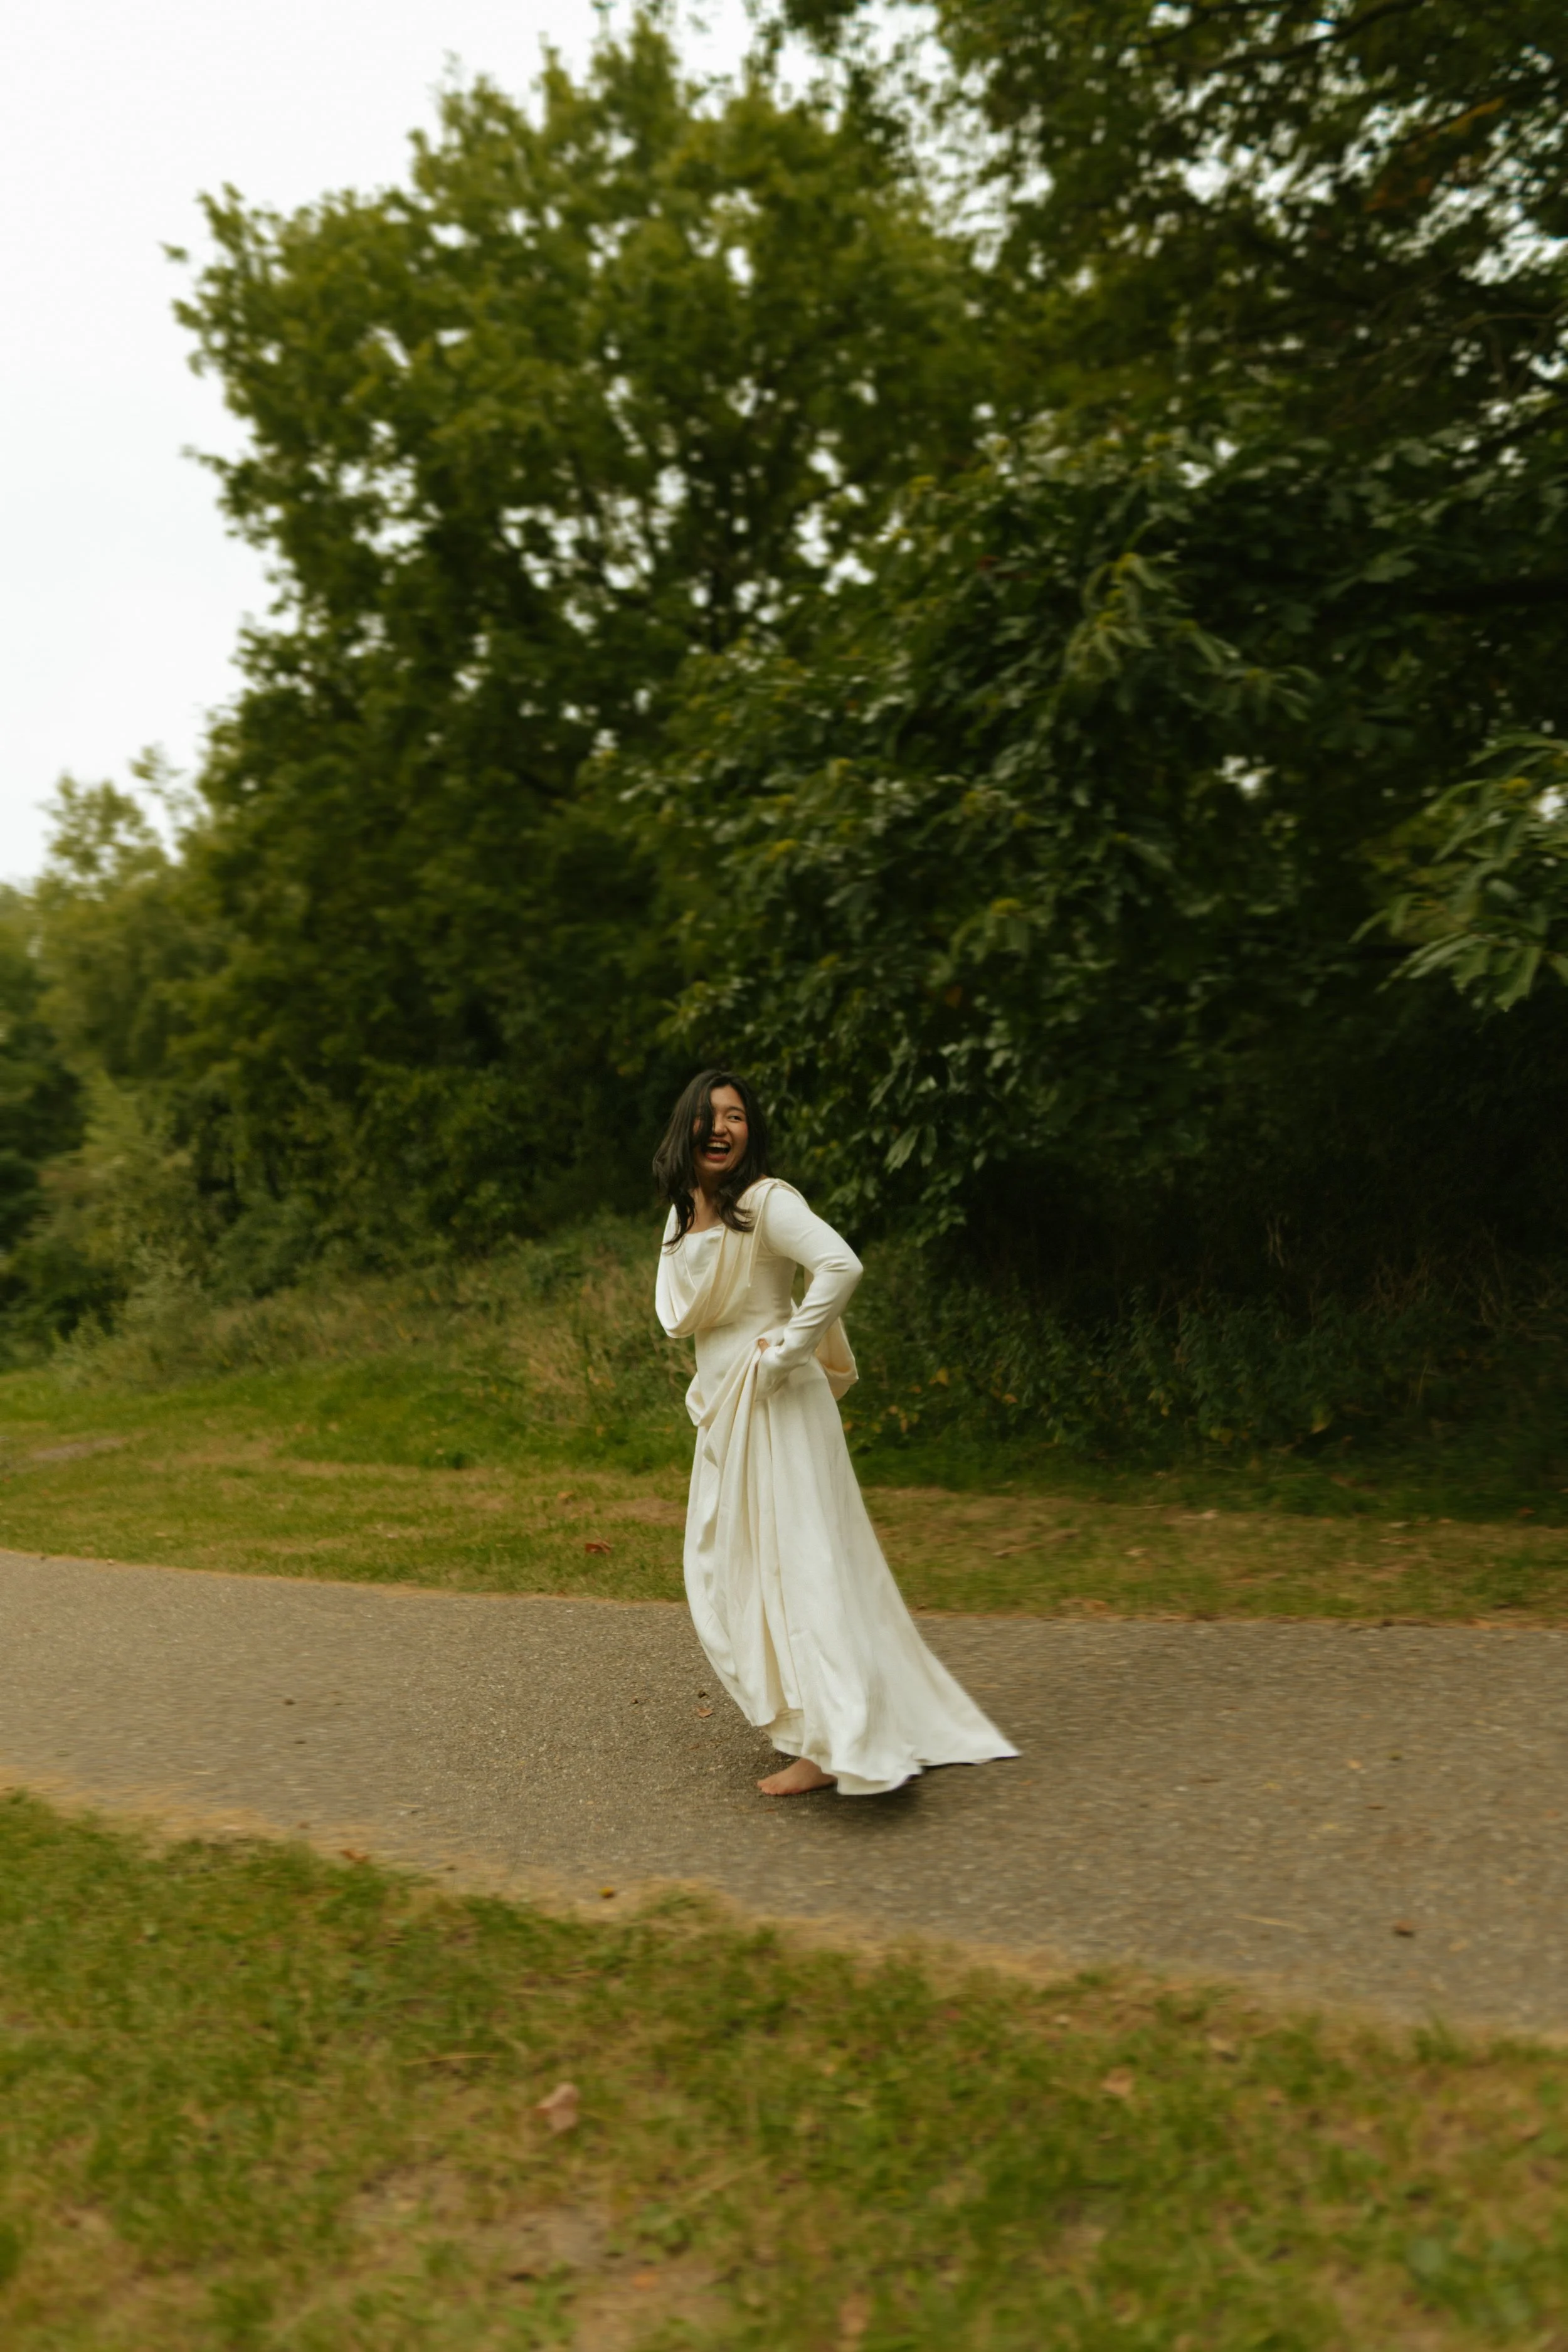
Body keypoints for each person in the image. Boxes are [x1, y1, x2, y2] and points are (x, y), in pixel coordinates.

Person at [652, 1068, 1019, 1798]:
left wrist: (785, 1354)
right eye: (709, 1115)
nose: (722, 1128)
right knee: (729, 1569)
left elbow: (840, 1265)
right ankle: (824, 1720)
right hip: (726, 1410)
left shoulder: (765, 1204)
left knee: (801, 1567)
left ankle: (831, 1744)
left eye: (737, 1117)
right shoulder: (680, 1217)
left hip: (778, 1403)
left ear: (751, 1133)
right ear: (684, 1126)